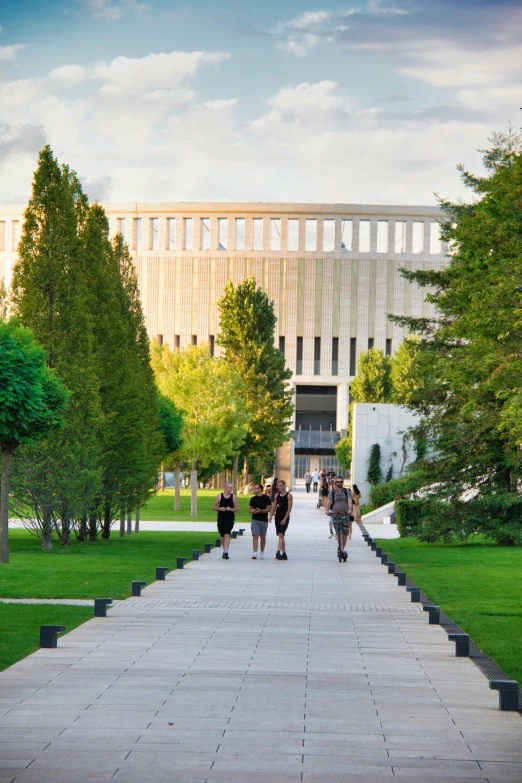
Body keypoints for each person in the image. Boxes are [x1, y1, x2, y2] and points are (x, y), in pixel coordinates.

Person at [325, 476, 352, 558]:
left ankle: (341, 549)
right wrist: (326, 510)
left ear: (343, 483)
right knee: (338, 533)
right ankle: (340, 548)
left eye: (341, 482)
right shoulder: (332, 492)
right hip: (336, 514)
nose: (339, 483)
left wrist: (350, 509)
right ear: (335, 483)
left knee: (345, 533)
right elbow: (328, 502)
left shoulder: (346, 491)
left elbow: (350, 500)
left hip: (345, 514)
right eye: (338, 482)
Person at [212, 482, 238, 560]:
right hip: (221, 518)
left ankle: (226, 552)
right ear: (225, 488)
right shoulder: (219, 496)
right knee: (223, 536)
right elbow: (214, 506)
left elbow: (237, 508)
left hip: (230, 518)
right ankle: (224, 551)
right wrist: (220, 509)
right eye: (230, 488)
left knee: (227, 534)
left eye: (231, 488)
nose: (231, 489)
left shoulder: (234, 497)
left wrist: (231, 509)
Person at [270, 479, 292, 560]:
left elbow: (289, 509)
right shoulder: (276, 495)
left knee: (281, 534)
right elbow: (274, 506)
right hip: (277, 517)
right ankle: (284, 553)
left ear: (284, 486)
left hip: (284, 517)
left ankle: (278, 552)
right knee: (280, 536)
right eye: (278, 486)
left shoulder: (289, 496)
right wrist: (271, 515)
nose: (279, 488)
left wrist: (285, 519)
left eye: (280, 486)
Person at [248, 484, 271, 559]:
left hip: (263, 520)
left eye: (256, 488)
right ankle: (255, 552)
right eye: (254, 488)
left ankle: (262, 551)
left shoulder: (266, 498)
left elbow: (269, 509)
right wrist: (252, 511)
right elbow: (249, 509)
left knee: (263, 537)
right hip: (255, 519)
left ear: (260, 489)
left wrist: (261, 511)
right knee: (255, 536)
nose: (254, 489)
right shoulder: (253, 499)